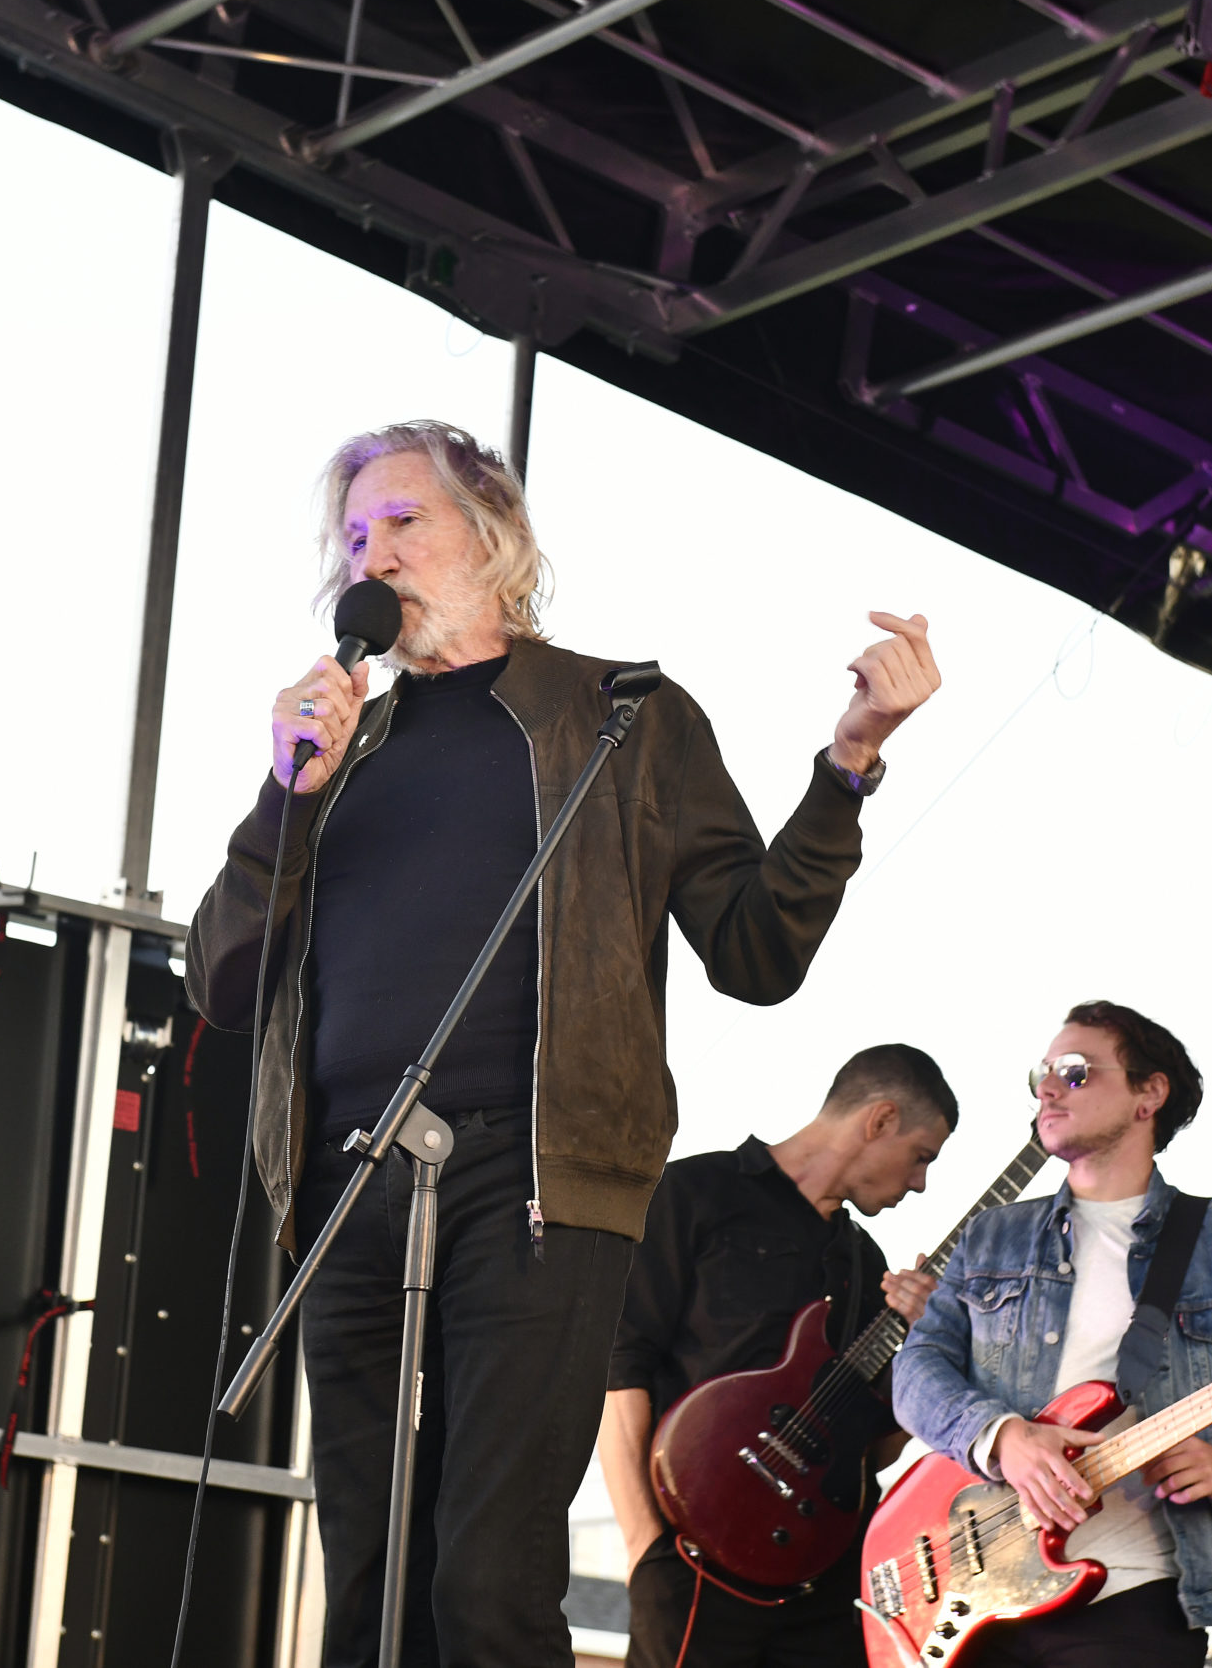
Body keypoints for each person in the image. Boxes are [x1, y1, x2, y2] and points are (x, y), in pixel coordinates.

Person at [186, 421, 941, 1668]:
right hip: (348, 1184)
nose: (372, 554)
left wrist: (849, 759)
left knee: (486, 1584)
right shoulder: (339, 752)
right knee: (370, 1591)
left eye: (403, 522)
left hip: (536, 1185)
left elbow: (756, 951)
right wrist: (284, 792)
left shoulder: (619, 717)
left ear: (494, 534)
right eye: (355, 535)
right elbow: (223, 977)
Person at [892, 1002, 1212, 1667]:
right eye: (1041, 1074)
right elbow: (917, 1366)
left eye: (1074, 1072)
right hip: (973, 1591)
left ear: (1148, 1093)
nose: (1047, 1087)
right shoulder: (992, 1235)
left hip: (1135, 1598)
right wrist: (1003, 1437)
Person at [600, 1044, 959, 1668]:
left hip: (823, 1593)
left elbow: (866, 1452)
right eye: (920, 1156)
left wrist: (927, 1345)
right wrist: (644, 1550)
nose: (920, 1182)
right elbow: (618, 1370)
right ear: (879, 1121)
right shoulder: (697, 1193)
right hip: (693, 1570)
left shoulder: (864, 1266)